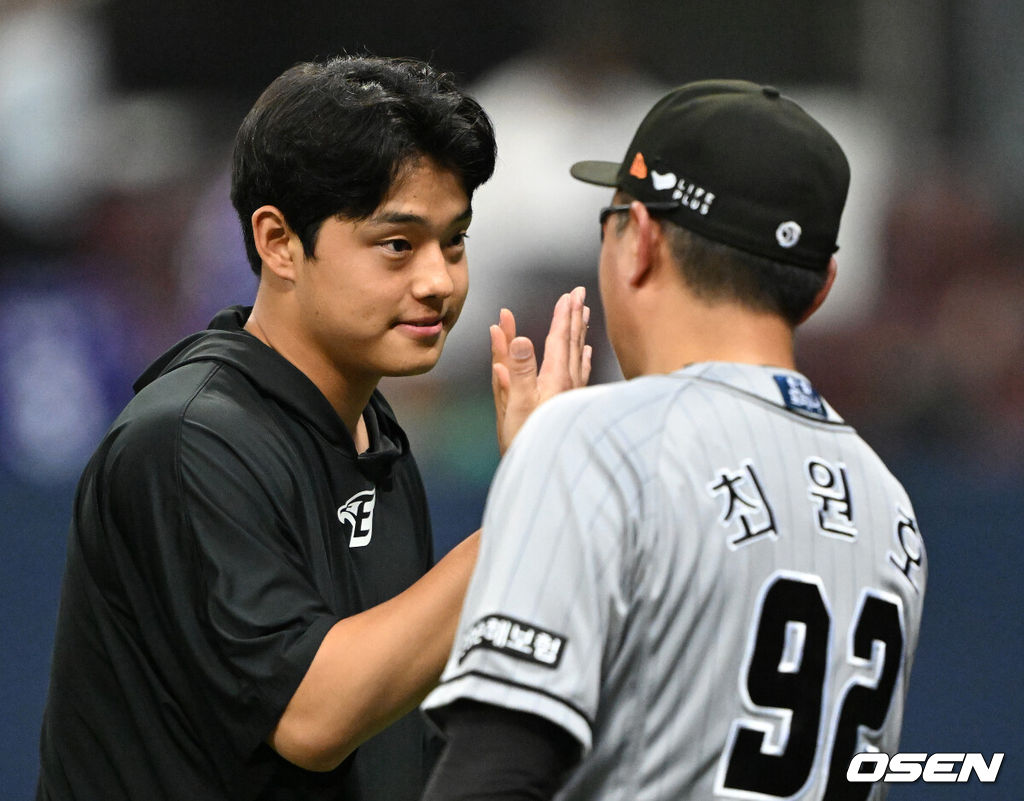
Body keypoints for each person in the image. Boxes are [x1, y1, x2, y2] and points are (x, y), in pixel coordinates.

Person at [35, 55, 590, 801]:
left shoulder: (372, 431)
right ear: (277, 241)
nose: (439, 280)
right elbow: (313, 714)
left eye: (453, 241)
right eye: (398, 244)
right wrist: (531, 508)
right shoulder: (186, 437)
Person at [420, 80, 927, 800]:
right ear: (819, 288)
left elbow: (493, 774)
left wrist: (551, 470)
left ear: (641, 242)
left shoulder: (592, 440)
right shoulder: (889, 505)